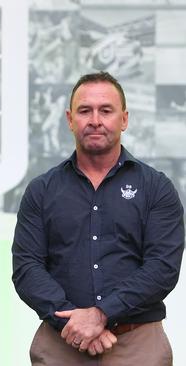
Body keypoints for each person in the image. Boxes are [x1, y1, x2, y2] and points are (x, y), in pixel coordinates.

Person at [12, 71, 184, 365]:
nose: (95, 120)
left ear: (124, 119)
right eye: (84, 111)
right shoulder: (42, 190)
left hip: (137, 344)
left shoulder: (156, 188)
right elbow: (27, 268)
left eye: (106, 110)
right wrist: (72, 322)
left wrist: (101, 314)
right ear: (69, 119)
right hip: (60, 342)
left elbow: (162, 267)